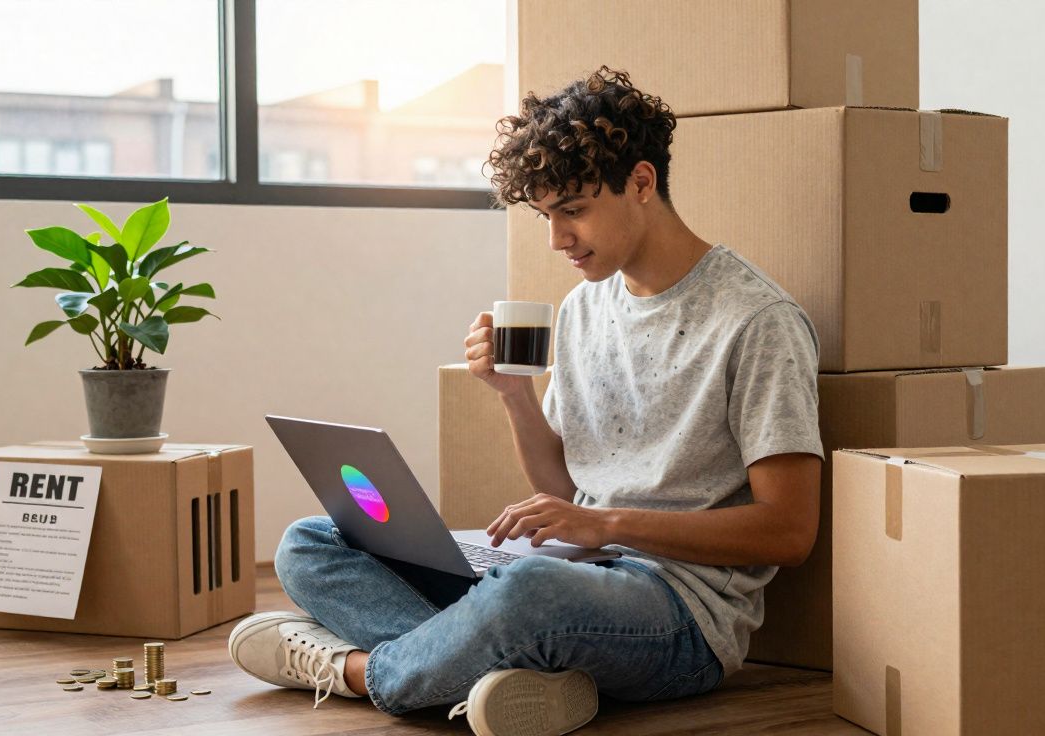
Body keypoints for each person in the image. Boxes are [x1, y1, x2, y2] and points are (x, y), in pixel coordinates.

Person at [226, 65, 824, 736]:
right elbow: (564, 487)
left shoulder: (757, 321)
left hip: (679, 614)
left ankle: (358, 671)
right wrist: (514, 395)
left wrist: (605, 523)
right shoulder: (584, 307)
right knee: (312, 541)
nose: (557, 239)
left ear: (641, 183)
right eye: (545, 216)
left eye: (573, 210)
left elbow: (788, 532)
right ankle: (501, 677)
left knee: (527, 594)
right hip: (570, 569)